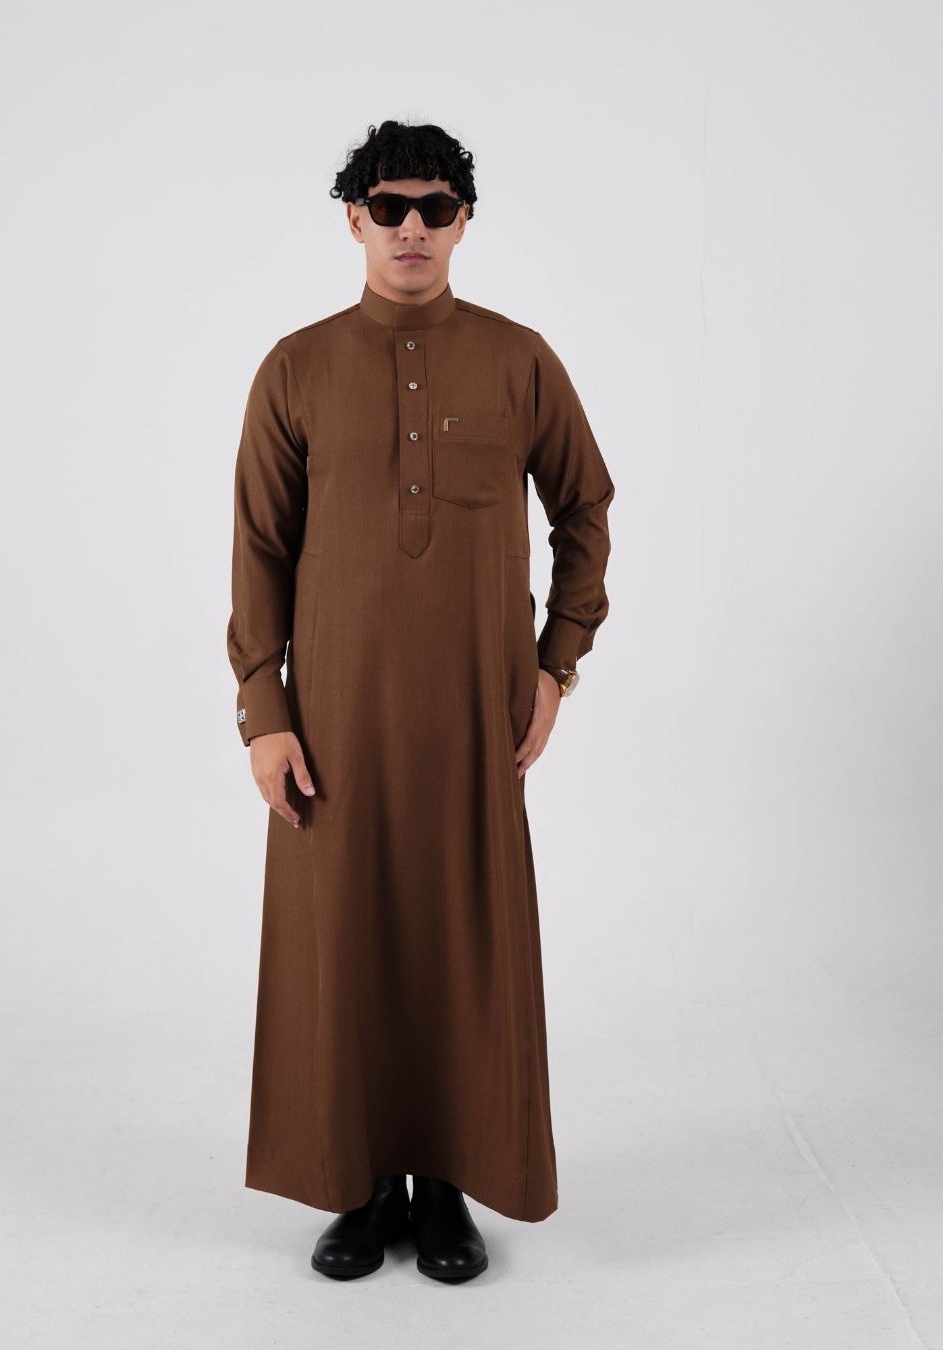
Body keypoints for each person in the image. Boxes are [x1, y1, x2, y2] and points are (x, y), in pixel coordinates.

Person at [227, 119, 615, 1281]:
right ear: (354, 219)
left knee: (460, 944)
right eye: (389, 207)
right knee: (343, 942)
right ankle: (357, 1186)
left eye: (435, 209)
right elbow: (258, 548)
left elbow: (585, 508)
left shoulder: (519, 360)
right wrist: (263, 711)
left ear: (463, 222)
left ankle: (445, 1186)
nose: (412, 227)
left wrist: (556, 661)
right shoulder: (296, 367)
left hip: (473, 723)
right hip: (334, 723)